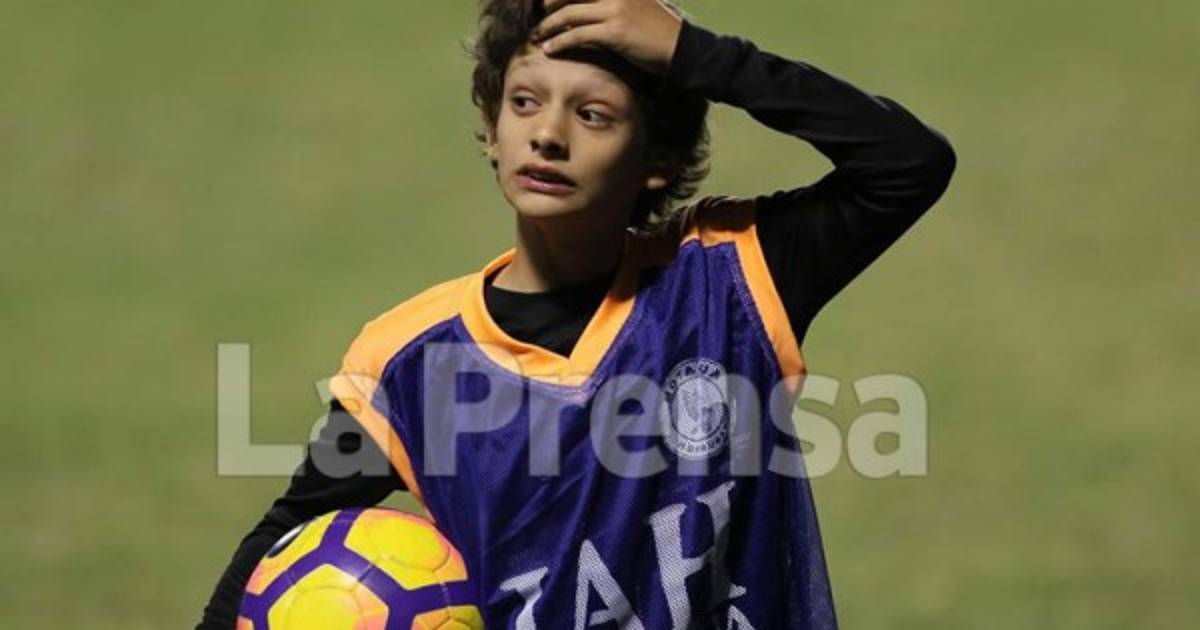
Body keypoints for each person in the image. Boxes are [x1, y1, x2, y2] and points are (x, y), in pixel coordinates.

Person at [197, 0, 956, 627]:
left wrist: (696, 54)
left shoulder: (734, 278)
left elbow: (907, 164)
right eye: (524, 102)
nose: (548, 135)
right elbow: (281, 549)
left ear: (656, 158)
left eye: (593, 115)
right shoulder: (410, 362)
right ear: (493, 130)